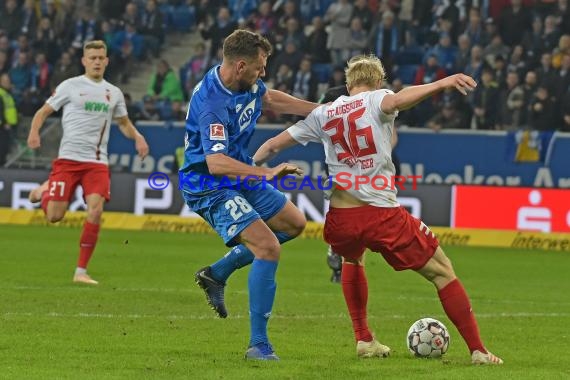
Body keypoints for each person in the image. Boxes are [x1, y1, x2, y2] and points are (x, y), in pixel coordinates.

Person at [253, 55, 503, 365]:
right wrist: (443, 82)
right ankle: (478, 350)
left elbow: (272, 146)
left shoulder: (325, 112)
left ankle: (364, 340)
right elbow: (400, 99)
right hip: (379, 213)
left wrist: (251, 170)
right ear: (378, 82)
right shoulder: (378, 99)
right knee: (442, 271)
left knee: (351, 258)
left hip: (340, 217)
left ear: (348, 85)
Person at [179, 29, 318, 360]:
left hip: (239, 174)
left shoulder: (246, 83)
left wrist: (320, 110)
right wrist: (267, 172)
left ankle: (217, 273)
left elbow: (269, 98)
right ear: (240, 65)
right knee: (268, 247)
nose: (263, 73)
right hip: (209, 185)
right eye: (259, 66)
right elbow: (215, 163)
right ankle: (258, 345)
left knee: (294, 223)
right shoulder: (212, 102)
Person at [26, 40, 149, 285]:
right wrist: (34, 132)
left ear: (106, 61)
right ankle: (45, 189)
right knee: (54, 216)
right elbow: (42, 112)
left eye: (100, 57)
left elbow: (123, 123)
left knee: (96, 210)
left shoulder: (113, 93)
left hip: (96, 162)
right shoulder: (70, 86)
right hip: (68, 160)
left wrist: (137, 137)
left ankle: (81, 271)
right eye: (91, 57)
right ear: (84, 61)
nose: (96, 61)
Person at [318, 84, 400, 283]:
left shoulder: (377, 95)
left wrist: (376, 155)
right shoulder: (333, 95)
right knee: (350, 215)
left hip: (375, 167)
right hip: (342, 164)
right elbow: (318, 121)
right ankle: (341, 256)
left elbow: (393, 135)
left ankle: (345, 254)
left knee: (365, 217)